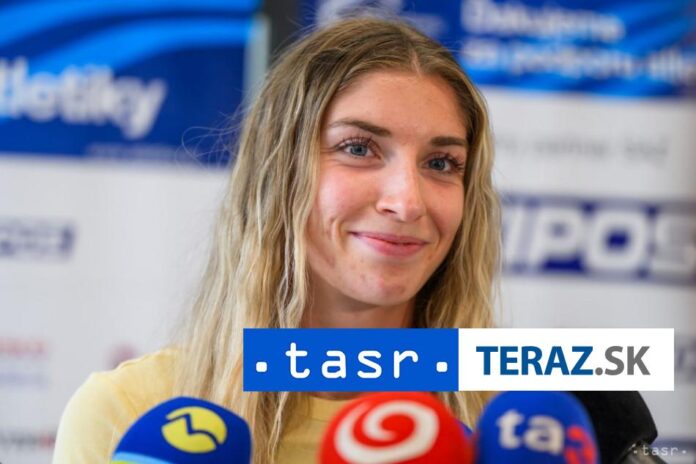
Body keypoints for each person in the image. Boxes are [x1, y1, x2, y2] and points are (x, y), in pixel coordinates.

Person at [52, 16, 500, 464]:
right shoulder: (129, 412)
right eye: (358, 148)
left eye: (441, 163)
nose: (407, 202)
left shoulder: (509, 428)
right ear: (278, 172)